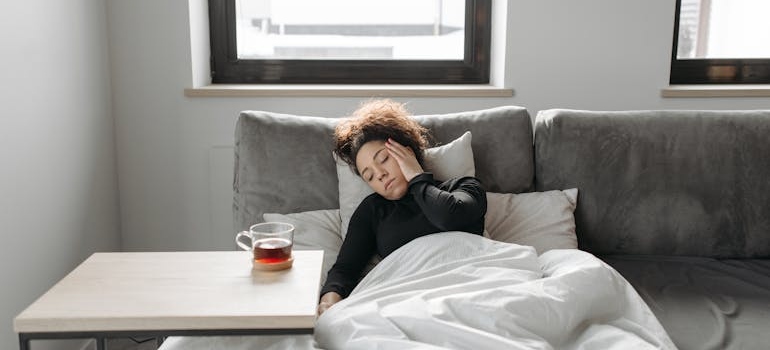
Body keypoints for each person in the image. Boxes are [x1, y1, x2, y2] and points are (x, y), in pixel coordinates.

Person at [317, 99, 487, 316]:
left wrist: (416, 177)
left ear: (407, 151)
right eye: (369, 176)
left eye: (384, 159)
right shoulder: (373, 210)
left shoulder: (464, 187)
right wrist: (328, 302)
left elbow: (449, 217)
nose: (380, 174)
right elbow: (345, 269)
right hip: (407, 301)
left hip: (471, 288)